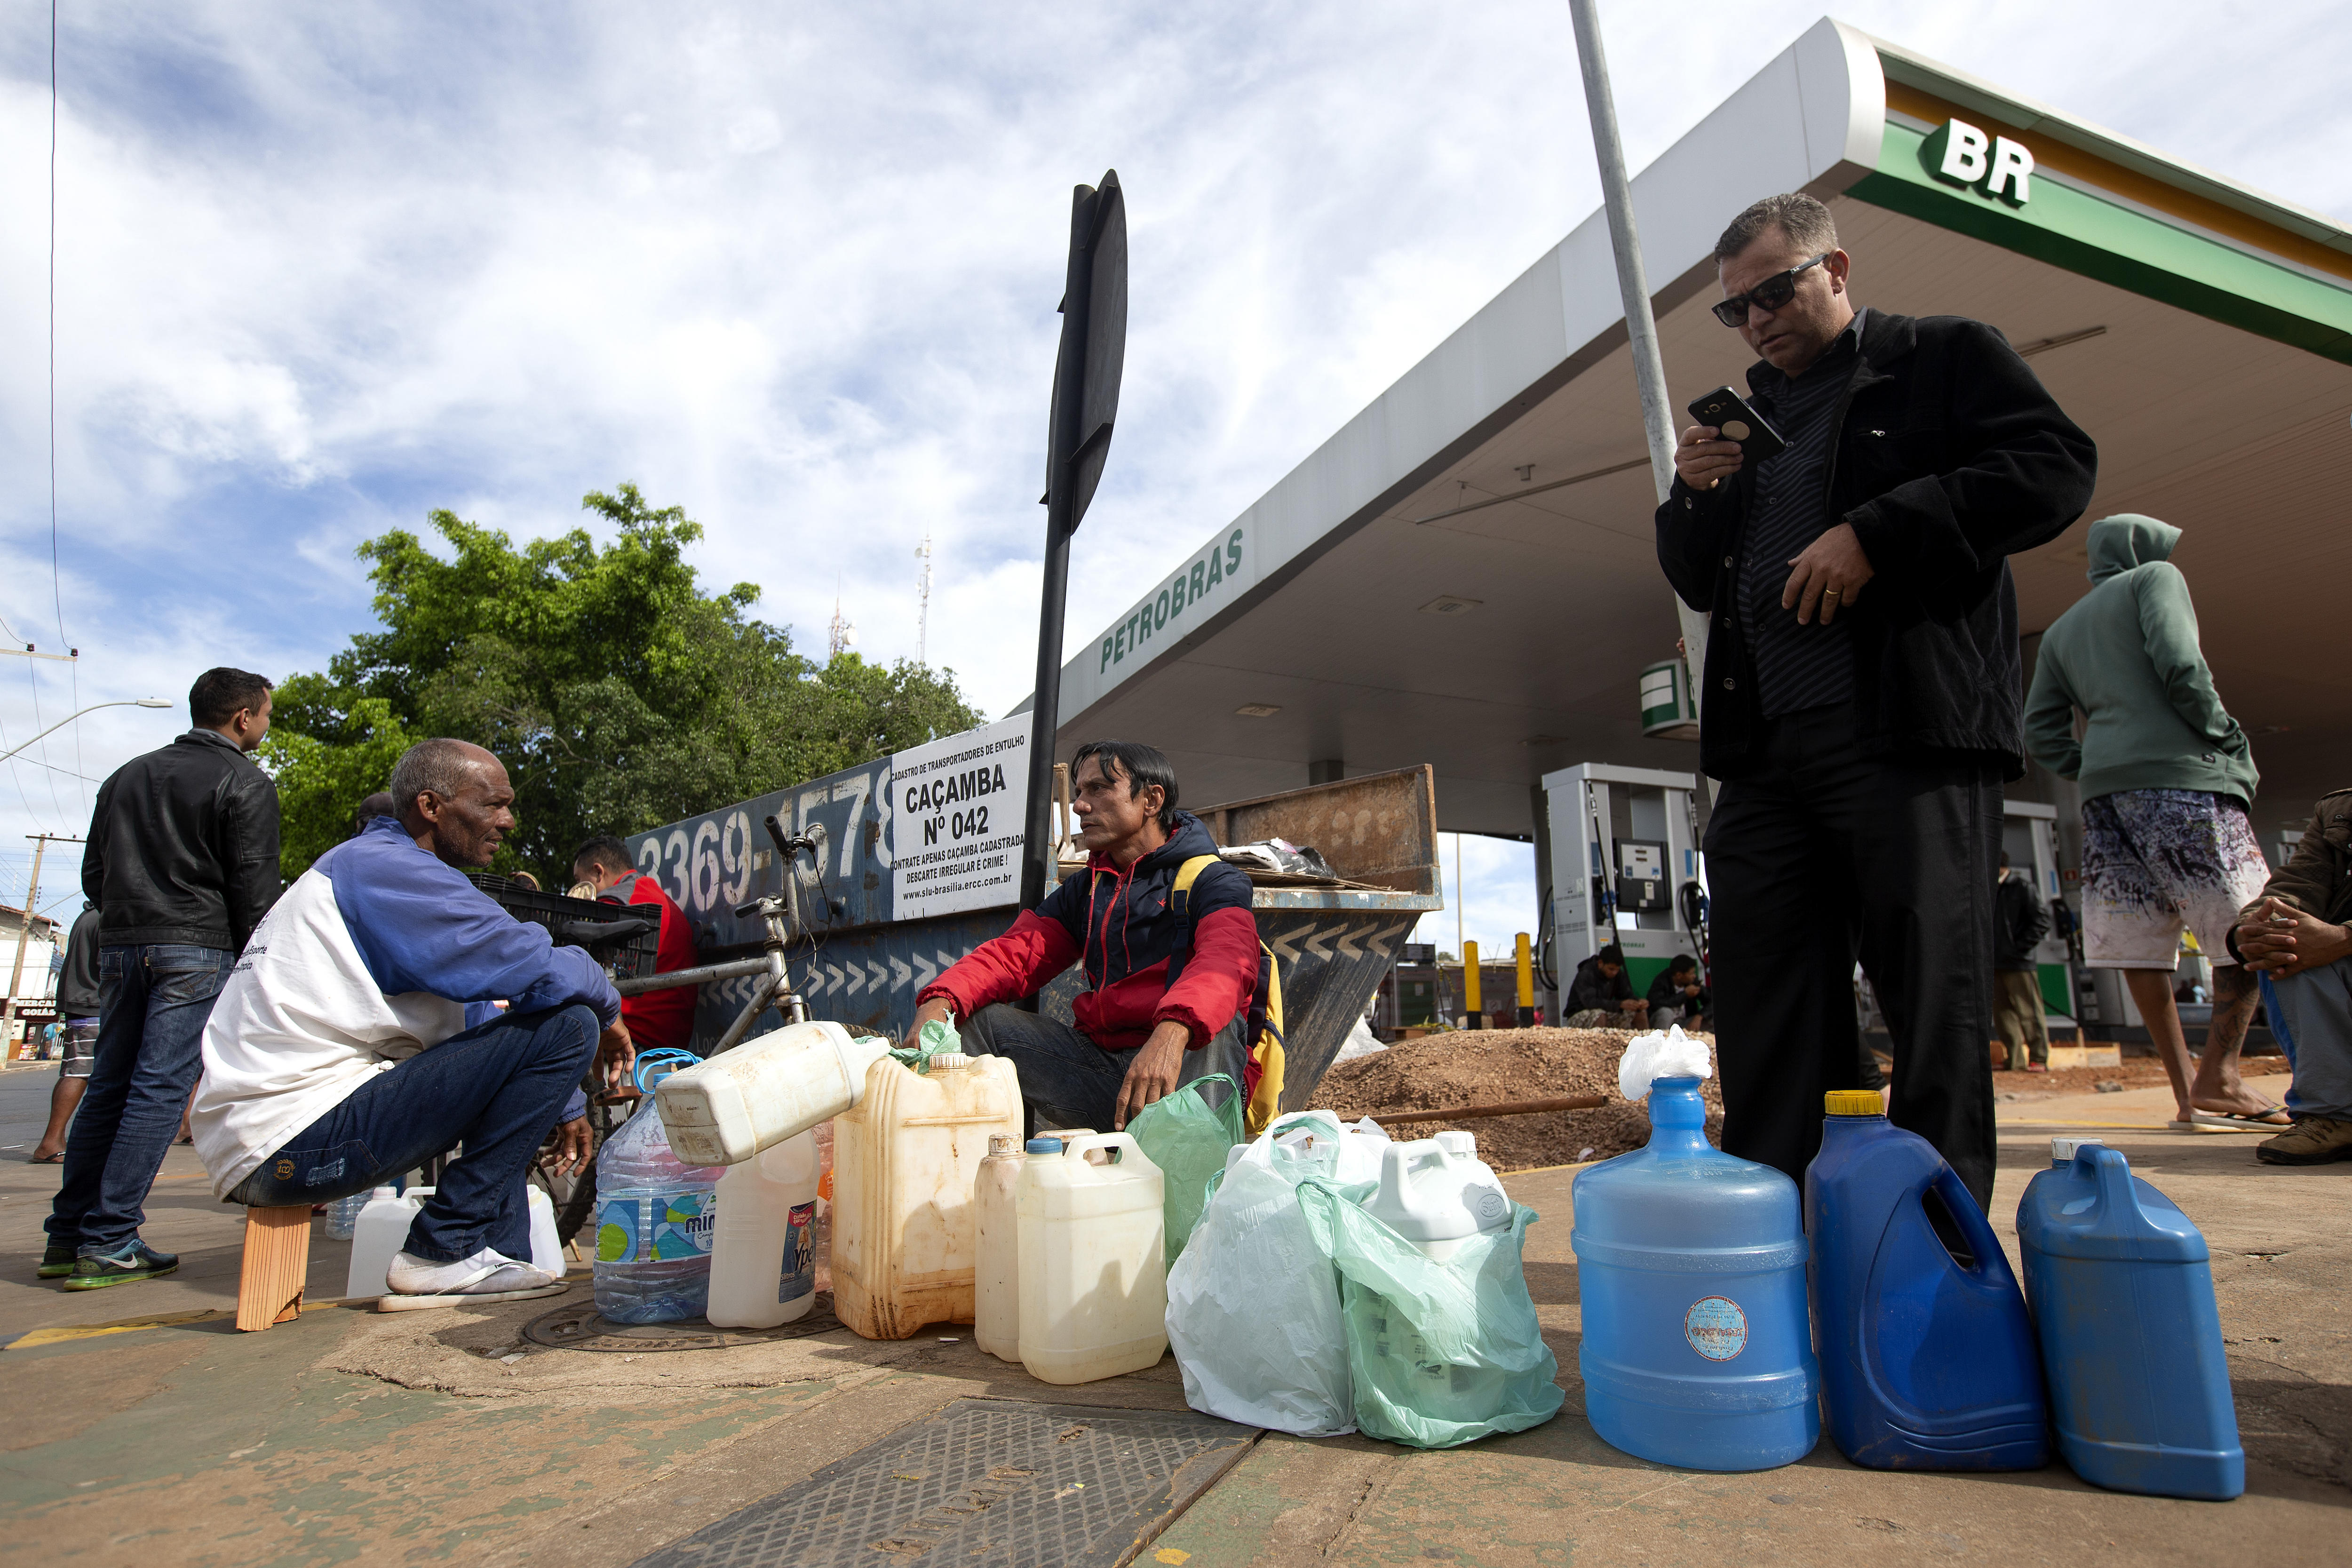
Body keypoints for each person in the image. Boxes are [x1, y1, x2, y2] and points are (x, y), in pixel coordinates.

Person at [1655, 192, 2097, 1212]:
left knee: (1928, 998)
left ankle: (1932, 1259)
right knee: (1769, 1003)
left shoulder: (1938, 358)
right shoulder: (1751, 419)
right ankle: (1787, 1234)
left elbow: (2052, 467)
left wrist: (1877, 533)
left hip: (1901, 734)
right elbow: (1693, 575)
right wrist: (1695, 491)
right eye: (1736, 309)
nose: (1758, 318)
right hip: (1767, 755)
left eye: (1775, 290)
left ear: (1836, 269)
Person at [191, 739, 632, 1304]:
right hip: (287, 1144)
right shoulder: (386, 869)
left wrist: (567, 1100)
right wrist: (608, 1007)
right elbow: (531, 963)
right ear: (431, 806)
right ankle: (443, 1250)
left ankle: (489, 1258)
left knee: (558, 1027)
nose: (507, 821)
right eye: (492, 805)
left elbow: (479, 1017)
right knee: (570, 1023)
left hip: (279, 1138)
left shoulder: (381, 867)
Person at [2025, 515, 2278, 1129]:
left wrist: (2091, 764)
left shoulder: (2060, 629)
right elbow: (2180, 663)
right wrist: (2226, 734)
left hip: (2106, 798)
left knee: (2141, 941)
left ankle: (2187, 1094)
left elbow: (2039, 728)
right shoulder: (2155, 577)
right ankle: (2220, 1076)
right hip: (2185, 779)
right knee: (2251, 926)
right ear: (2147, 549)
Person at [43, 668, 283, 1288]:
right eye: (264, 715)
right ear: (242, 718)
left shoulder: (127, 775)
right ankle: (111, 1237)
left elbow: (96, 875)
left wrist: (130, 918)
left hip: (122, 945)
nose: (264, 724)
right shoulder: (245, 782)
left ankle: (68, 1236)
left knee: (110, 1085)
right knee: (159, 1089)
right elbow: (253, 893)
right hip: (197, 948)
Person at [905, 740, 1259, 1133]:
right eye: (1078, 792)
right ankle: (968, 1176)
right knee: (976, 1025)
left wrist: (1174, 1030)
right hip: (1106, 1076)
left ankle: (1194, 1182)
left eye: (1098, 789)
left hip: (1181, 1077)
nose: (1079, 806)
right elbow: (1017, 952)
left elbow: (1228, 962)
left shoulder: (1214, 880)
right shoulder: (1090, 889)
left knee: (1213, 1023)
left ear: (1152, 800)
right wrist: (942, 999)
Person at [2226, 790, 2352, 1165]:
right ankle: (2334, 1115)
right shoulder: (2340, 812)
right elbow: (2294, 888)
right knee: (2286, 950)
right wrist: (2254, 928)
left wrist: (2344, 937)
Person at [572, 836, 700, 1056]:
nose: (577, 888)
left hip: (634, 1038)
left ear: (598, 872)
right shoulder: (658, 898)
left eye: (579, 881)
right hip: (674, 1041)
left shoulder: (614, 904)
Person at [30, 903, 104, 1164]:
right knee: (79, 1073)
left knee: (78, 1071)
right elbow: (108, 965)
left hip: (81, 1002)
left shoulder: (88, 914)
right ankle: (50, 1143)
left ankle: (56, 1141)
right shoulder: (103, 916)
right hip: (92, 1003)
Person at [1993, 852, 2052, 1073]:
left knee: (2029, 1012)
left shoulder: (2022, 888)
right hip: (1994, 962)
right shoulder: (1987, 889)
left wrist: (2018, 948)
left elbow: (2042, 921)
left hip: (2019, 963)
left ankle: (2039, 1058)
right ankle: (2014, 1060)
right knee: (2002, 1014)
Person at [1565, 945, 1648, 1029]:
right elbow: (1590, 1002)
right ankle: (1598, 1042)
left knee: (1639, 1012)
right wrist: (1619, 1005)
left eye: (1617, 970)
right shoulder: (1586, 974)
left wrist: (1638, 1003)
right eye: (1611, 969)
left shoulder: (1618, 975)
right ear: (1600, 963)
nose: (1614, 973)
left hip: (1606, 1012)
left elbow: (1626, 995)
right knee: (1599, 1015)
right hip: (1579, 1015)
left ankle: (1643, 1040)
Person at [1646, 953, 1708, 1032]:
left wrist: (1699, 1017)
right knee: (1666, 1013)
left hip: (1685, 1023)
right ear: (1679, 975)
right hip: (1666, 1023)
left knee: (1712, 1018)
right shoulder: (1662, 981)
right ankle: (1662, 1040)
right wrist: (1685, 995)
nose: (1694, 976)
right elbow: (1656, 1003)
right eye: (1691, 973)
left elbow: (1711, 1001)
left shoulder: (1693, 982)